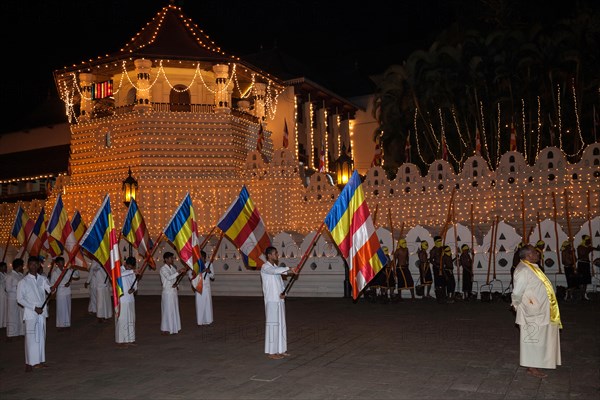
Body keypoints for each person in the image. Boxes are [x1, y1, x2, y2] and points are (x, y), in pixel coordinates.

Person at [511, 244, 561, 379]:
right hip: (532, 310)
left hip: (540, 309)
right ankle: (532, 367)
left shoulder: (530, 267)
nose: (538, 254)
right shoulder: (523, 270)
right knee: (532, 339)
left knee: (539, 339)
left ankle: (538, 362)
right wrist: (517, 306)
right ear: (528, 256)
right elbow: (517, 292)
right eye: (535, 252)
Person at [17, 257, 54, 372]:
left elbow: (49, 290)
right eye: (31, 264)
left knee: (41, 337)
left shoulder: (42, 279)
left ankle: (40, 361)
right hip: (31, 313)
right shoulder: (23, 282)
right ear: (28, 265)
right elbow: (20, 299)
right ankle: (29, 362)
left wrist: (53, 289)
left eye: (35, 264)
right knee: (31, 338)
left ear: (39, 265)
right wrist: (34, 308)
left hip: (41, 312)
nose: (33, 266)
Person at [261, 246, 297, 360]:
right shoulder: (265, 267)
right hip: (271, 301)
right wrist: (290, 268)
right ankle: (271, 352)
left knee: (281, 324)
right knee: (272, 325)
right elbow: (274, 272)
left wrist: (283, 293)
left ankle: (281, 349)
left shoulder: (276, 266)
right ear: (269, 255)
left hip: (279, 300)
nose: (277, 255)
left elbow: (281, 282)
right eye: (275, 253)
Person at [49, 256, 80, 331]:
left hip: (67, 291)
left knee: (68, 307)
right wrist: (54, 288)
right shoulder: (55, 273)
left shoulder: (67, 270)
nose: (61, 264)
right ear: (57, 264)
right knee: (60, 309)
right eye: (60, 262)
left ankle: (67, 323)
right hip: (60, 292)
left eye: (62, 262)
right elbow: (51, 284)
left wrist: (74, 269)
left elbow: (76, 276)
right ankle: (60, 324)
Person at [160, 252, 185, 335]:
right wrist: (178, 272)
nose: (172, 259)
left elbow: (174, 279)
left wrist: (176, 284)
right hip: (167, 292)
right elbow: (169, 277)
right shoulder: (163, 269)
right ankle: (165, 328)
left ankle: (174, 327)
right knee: (167, 310)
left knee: (174, 309)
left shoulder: (173, 268)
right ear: (166, 259)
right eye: (171, 258)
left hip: (173, 292)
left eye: (172, 258)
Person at [189, 250, 215, 326]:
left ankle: (208, 320)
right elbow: (190, 275)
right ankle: (200, 321)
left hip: (207, 288)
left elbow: (213, 276)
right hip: (199, 287)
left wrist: (209, 271)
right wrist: (200, 271)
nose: (201, 259)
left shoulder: (209, 264)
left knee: (207, 304)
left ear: (204, 258)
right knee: (200, 304)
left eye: (202, 258)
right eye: (200, 258)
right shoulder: (194, 265)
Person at [116, 256, 138, 348]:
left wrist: (133, 289)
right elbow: (120, 275)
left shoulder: (132, 272)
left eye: (131, 267)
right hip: (122, 299)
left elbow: (135, 284)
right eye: (128, 266)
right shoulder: (119, 270)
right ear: (125, 264)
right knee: (122, 319)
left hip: (130, 298)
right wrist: (132, 271)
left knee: (131, 319)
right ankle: (121, 341)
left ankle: (130, 339)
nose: (130, 268)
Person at [5, 258, 25, 341]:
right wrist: (17, 288)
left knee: (20, 316)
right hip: (12, 298)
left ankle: (20, 332)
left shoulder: (20, 275)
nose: (23, 267)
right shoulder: (10, 276)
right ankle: (11, 334)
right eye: (22, 266)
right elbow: (7, 289)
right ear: (19, 266)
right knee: (12, 316)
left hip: (20, 298)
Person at [429, 236, 446, 303]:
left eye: (440, 241)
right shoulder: (433, 250)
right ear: (435, 242)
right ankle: (439, 297)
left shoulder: (442, 249)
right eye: (438, 241)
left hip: (442, 267)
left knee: (443, 282)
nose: (440, 242)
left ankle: (444, 296)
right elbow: (430, 260)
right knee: (437, 282)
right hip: (436, 267)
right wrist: (436, 265)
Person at [576, 235, 593, 300]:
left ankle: (583, 294)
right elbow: (582, 254)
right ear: (585, 241)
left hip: (586, 264)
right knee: (581, 280)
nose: (589, 242)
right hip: (582, 264)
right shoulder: (580, 247)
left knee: (586, 280)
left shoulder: (588, 247)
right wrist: (588, 249)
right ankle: (581, 295)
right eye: (588, 241)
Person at [0, 261, 7, 330]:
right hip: (1, 295)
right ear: (1, 267)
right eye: (5, 266)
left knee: (5, 309)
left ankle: (4, 323)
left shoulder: (5, 274)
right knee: (1, 309)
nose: (6, 268)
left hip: (5, 295)